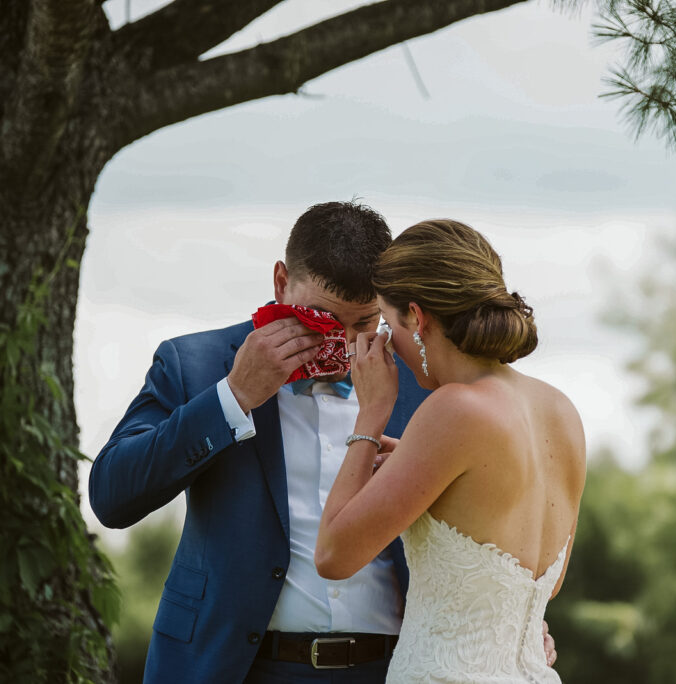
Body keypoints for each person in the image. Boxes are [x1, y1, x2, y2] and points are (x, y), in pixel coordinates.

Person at [88, 201, 432, 682]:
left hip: (393, 669)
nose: (342, 347)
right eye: (322, 320)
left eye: (363, 324)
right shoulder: (196, 364)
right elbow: (111, 496)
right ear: (280, 283)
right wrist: (233, 397)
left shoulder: (421, 383)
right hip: (233, 667)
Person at [315, 219, 586, 683]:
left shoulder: (453, 409)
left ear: (417, 318)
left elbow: (333, 556)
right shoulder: (560, 410)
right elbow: (544, 580)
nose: (385, 342)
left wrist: (371, 416)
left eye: (385, 321)